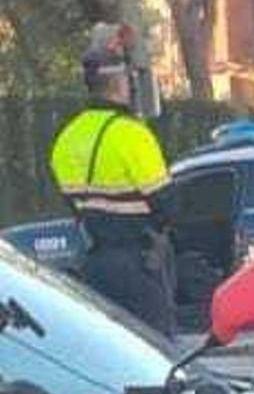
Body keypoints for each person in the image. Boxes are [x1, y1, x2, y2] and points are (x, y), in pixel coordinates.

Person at [49, 24, 177, 337]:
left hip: (94, 266)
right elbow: (169, 206)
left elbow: (72, 201)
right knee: (156, 353)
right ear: (121, 83)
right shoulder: (133, 136)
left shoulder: (67, 138)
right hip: (139, 267)